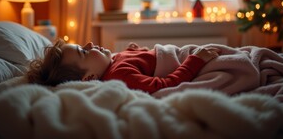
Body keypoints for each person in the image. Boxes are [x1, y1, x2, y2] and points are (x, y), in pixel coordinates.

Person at [27, 39, 220, 94]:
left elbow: (139, 62)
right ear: (89, 78)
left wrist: (134, 52)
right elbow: (161, 85)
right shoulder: (120, 76)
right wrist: (195, 61)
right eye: (84, 52)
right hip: (187, 59)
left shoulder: (113, 62)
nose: (90, 45)